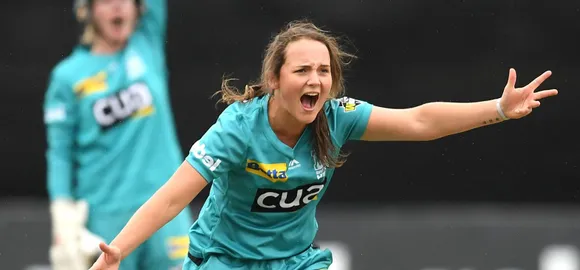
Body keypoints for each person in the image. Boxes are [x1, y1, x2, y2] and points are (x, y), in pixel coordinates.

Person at [89, 20, 558, 270]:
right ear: (274, 80)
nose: (316, 80)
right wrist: (118, 252)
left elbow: (419, 121)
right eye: (302, 71)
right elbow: (175, 195)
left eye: (324, 71)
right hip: (224, 262)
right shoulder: (237, 129)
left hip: (295, 264)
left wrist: (497, 108)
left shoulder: (337, 117)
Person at [42, 0, 193, 269]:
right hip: (107, 217)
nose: (118, 7)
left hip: (167, 207)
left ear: (139, 8)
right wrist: (62, 215)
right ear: (88, 10)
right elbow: (60, 154)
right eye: (107, 1)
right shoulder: (66, 76)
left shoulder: (146, 43)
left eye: (125, 1)